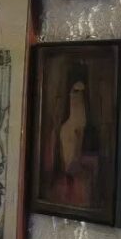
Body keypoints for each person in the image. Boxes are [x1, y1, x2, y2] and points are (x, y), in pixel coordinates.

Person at [40, 63, 100, 208]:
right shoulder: (65, 129)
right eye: (75, 92)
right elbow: (69, 165)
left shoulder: (88, 130)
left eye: (82, 93)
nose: (78, 97)